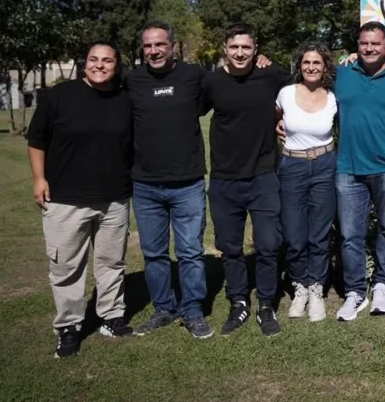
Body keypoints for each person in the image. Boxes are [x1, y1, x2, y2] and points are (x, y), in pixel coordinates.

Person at [27, 41, 135, 358]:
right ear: (84, 63)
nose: (99, 65)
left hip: (114, 199)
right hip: (64, 199)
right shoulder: (59, 96)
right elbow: (36, 140)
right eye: (93, 59)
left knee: (111, 263)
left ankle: (111, 317)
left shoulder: (124, 100)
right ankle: (69, 328)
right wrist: (39, 178)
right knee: (66, 268)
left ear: (117, 66)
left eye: (107, 61)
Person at [126, 22, 215, 340]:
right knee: (154, 253)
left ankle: (192, 311)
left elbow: (228, 89)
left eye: (160, 44)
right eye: (148, 46)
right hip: (145, 185)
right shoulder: (132, 80)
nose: (153, 51)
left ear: (173, 46)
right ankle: (164, 308)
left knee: (190, 251)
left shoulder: (195, 76)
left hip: (187, 182)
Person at [205, 23, 291, 337]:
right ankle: (238, 301)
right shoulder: (211, 82)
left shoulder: (272, 75)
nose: (240, 53)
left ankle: (266, 302)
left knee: (269, 244)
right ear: (225, 49)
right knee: (230, 247)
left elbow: (308, 85)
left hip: (264, 175)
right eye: (234, 47)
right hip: (224, 179)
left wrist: (282, 120)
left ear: (256, 50)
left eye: (246, 47)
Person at [334, 21, 385, 321]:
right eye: (364, 43)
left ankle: (382, 285)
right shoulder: (341, 75)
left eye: (375, 44)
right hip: (348, 168)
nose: (368, 49)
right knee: (350, 235)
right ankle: (354, 292)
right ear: (358, 45)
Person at [278, 41, 338, 323]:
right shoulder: (286, 94)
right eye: (306, 63)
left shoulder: (333, 96)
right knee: (294, 234)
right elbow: (273, 120)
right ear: (299, 66)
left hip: (325, 166)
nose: (311, 67)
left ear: (324, 66)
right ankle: (299, 286)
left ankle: (316, 289)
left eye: (317, 63)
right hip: (292, 166)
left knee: (319, 233)